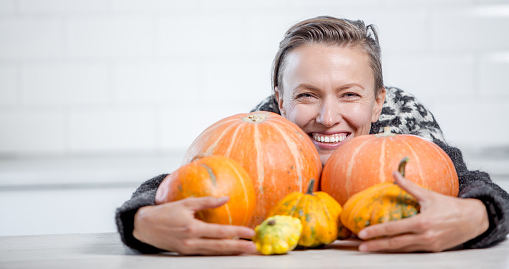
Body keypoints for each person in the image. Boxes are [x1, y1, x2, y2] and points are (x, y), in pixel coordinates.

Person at [116, 16, 509, 255]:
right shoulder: (263, 128)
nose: (326, 117)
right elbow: (180, 183)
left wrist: (478, 216)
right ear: (280, 101)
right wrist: (141, 221)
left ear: (377, 103)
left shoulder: (402, 120)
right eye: (307, 95)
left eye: (350, 95)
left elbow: (471, 183)